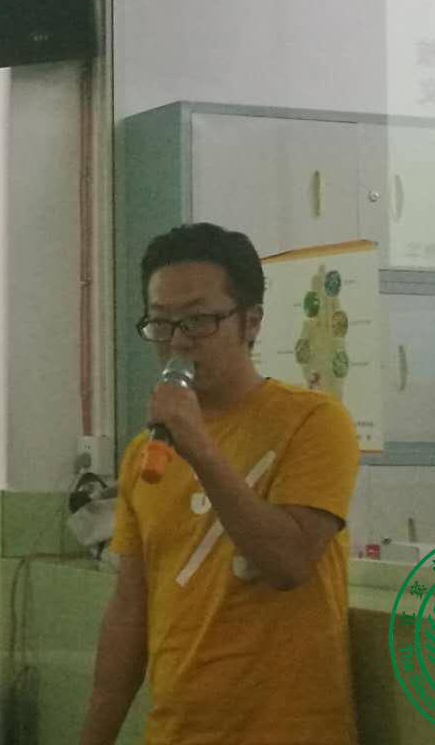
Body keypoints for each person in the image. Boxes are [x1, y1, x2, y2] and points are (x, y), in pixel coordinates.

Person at [79, 222, 360, 745]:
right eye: (161, 323)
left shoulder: (315, 422)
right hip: (176, 731)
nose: (178, 341)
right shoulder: (144, 454)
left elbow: (289, 562)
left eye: (199, 320)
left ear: (251, 322)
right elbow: (130, 613)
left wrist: (200, 449)